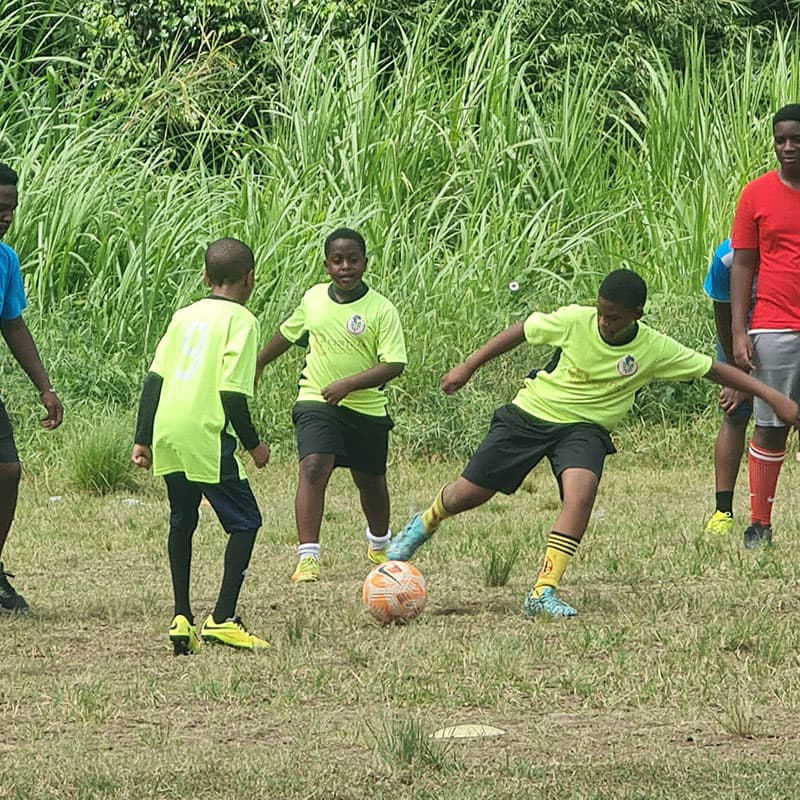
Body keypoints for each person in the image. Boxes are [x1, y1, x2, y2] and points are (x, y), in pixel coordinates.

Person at [387, 268, 800, 618]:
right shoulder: (574, 320)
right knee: (468, 493)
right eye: (602, 314)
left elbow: (716, 370)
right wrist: (467, 367)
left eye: (615, 318)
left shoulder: (654, 348)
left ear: (637, 314)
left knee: (581, 492)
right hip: (532, 413)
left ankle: (542, 591)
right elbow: (521, 331)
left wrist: (774, 396)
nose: (605, 323)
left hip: (585, 429)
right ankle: (425, 522)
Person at [132, 238, 270, 654]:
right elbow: (231, 393)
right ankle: (223, 619)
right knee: (246, 522)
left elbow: (154, 379)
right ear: (250, 279)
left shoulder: (184, 316)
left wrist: (142, 437)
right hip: (206, 431)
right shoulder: (242, 322)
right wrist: (254, 444)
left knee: (182, 517)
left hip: (168, 429)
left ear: (206, 278)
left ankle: (181, 618)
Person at [256, 228, 407, 583]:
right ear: (326, 265)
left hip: (366, 408)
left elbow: (394, 364)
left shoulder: (381, 309)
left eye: (353, 260)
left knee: (371, 482)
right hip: (316, 399)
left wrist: (350, 384)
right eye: (337, 261)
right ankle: (308, 557)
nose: (345, 267)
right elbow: (288, 333)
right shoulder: (313, 300)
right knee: (313, 466)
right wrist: (260, 362)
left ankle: (379, 544)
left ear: (365, 264)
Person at [731, 103, 800, 549]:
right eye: (781, 139)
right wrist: (740, 331)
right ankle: (760, 522)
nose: (789, 147)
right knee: (771, 423)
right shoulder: (755, 194)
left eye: (797, 138)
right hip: (774, 325)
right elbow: (742, 265)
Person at [0, 163, 63, 613]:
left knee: (8, 472)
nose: (6, 217)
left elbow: (13, 323)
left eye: (12, 210)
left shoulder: (6, 261)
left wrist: (45, 386)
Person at [703, 238, 753, 536]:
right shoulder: (727, 257)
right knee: (735, 412)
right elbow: (722, 312)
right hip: (739, 331)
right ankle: (723, 511)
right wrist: (735, 374)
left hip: (787, 328)